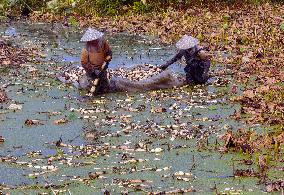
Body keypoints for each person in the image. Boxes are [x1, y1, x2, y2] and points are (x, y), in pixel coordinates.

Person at [80, 27, 112, 94]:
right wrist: (93, 71)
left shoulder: (103, 44)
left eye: (95, 40)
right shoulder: (86, 50)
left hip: (102, 68)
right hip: (91, 72)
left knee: (105, 88)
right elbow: (84, 63)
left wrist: (107, 60)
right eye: (92, 41)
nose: (94, 42)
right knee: (92, 87)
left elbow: (109, 53)